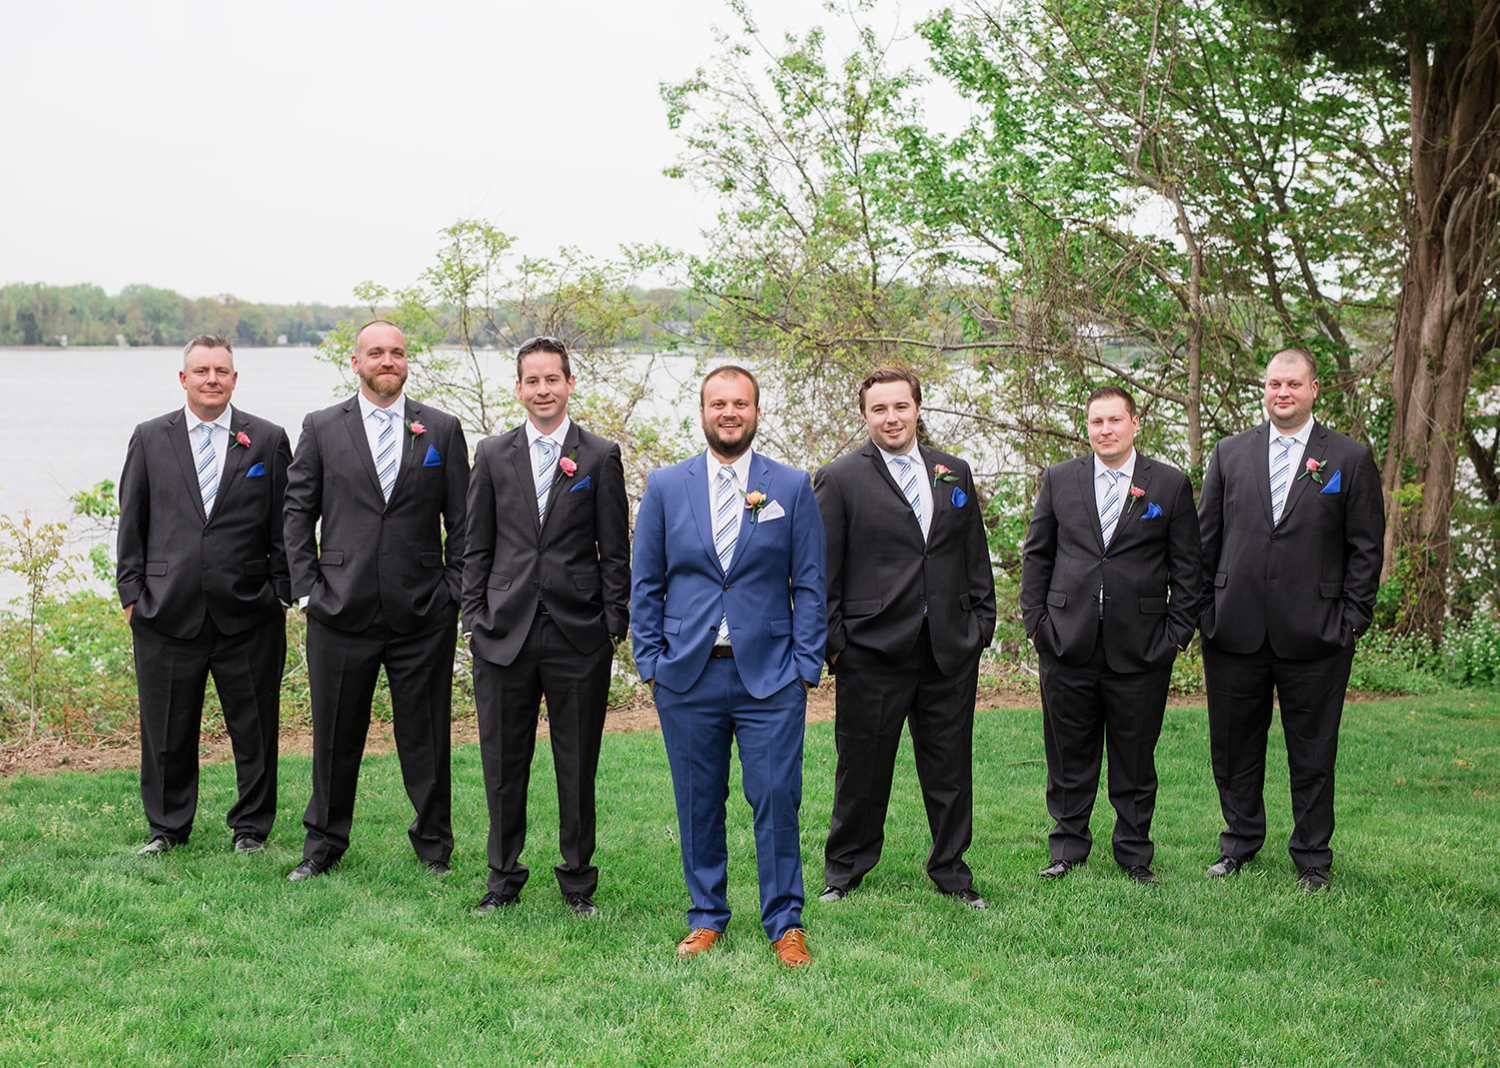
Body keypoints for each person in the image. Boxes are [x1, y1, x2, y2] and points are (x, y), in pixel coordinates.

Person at [630, 366, 827, 968]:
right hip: (686, 673)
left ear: (756, 412)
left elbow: (812, 583)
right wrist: (651, 664)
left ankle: (784, 923)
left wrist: (804, 667)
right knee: (697, 799)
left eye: (740, 403)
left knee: (774, 796)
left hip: (770, 675)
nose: (729, 412)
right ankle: (707, 916)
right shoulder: (665, 486)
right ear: (702, 412)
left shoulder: (789, 487)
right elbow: (646, 583)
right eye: (718, 403)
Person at [282, 319, 469, 880]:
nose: (388, 361)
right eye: (376, 353)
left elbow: (463, 520)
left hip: (422, 611)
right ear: (356, 361)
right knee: (335, 735)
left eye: (397, 353)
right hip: (340, 609)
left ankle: (434, 845)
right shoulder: (321, 427)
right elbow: (296, 513)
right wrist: (308, 589)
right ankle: (323, 846)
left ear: (406, 361)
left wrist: (453, 590)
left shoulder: (440, 429)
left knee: (427, 734)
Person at [1198, 347, 1383, 891]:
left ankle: (1312, 858)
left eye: (1293, 384)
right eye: (1274, 384)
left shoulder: (1348, 459)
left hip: (1318, 633)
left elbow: (1366, 549)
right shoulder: (1230, 453)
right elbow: (1205, 541)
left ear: (1314, 388)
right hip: (1234, 630)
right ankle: (1239, 843)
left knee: (1313, 751)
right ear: (1264, 388)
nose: (1282, 393)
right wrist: (1206, 613)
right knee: (1233, 749)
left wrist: (1351, 620)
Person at [813, 367, 996, 908]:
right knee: (862, 770)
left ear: (918, 408)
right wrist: (837, 644)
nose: (891, 418)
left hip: (948, 649)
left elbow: (971, 554)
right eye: (879, 409)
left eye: (900, 406)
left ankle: (951, 870)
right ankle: (845, 871)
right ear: (864, 415)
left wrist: (981, 624)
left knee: (949, 769)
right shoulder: (839, 477)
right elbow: (822, 570)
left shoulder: (952, 471)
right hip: (871, 651)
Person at [463, 337, 630, 918]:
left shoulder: (600, 455)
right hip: (502, 632)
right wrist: (472, 620)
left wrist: (613, 621)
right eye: (531, 381)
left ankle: (578, 882)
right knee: (503, 764)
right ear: (518, 388)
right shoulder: (490, 453)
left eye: (552, 379)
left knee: (576, 763)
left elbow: (615, 547)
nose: (542, 390)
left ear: (569, 383)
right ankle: (503, 878)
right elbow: (474, 546)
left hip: (578, 634)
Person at [116, 333, 291, 856]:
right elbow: (133, 522)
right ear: (183, 378)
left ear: (235, 378)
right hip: (166, 611)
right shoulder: (149, 437)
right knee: (167, 728)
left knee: (255, 726)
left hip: (250, 612)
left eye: (221, 371)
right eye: (201, 371)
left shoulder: (268, 439)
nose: (211, 379)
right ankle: (167, 828)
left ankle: (251, 829)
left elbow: (286, 522)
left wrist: (281, 592)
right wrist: (132, 596)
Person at [1020, 385, 1202, 885]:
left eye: (1115, 421)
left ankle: (1134, 853)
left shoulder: (1167, 485)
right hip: (1066, 641)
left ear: (1135, 423)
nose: (1105, 430)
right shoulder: (1060, 479)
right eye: (1096, 421)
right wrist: (1036, 623)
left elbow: (1189, 570)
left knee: (1135, 755)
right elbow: (1038, 553)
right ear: (1088, 426)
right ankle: (1067, 848)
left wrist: (1176, 635)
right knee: (1067, 752)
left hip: (1142, 646)